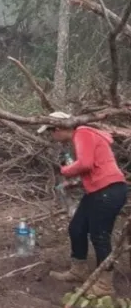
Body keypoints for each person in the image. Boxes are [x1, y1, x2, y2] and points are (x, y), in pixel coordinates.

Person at [41, 112, 128, 296]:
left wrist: (65, 171)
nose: (52, 137)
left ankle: (105, 285)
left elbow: (86, 164)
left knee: (100, 235)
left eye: (51, 132)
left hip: (109, 191)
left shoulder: (82, 132)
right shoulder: (84, 136)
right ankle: (78, 270)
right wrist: (74, 182)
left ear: (57, 129)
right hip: (100, 190)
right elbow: (96, 168)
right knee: (77, 227)